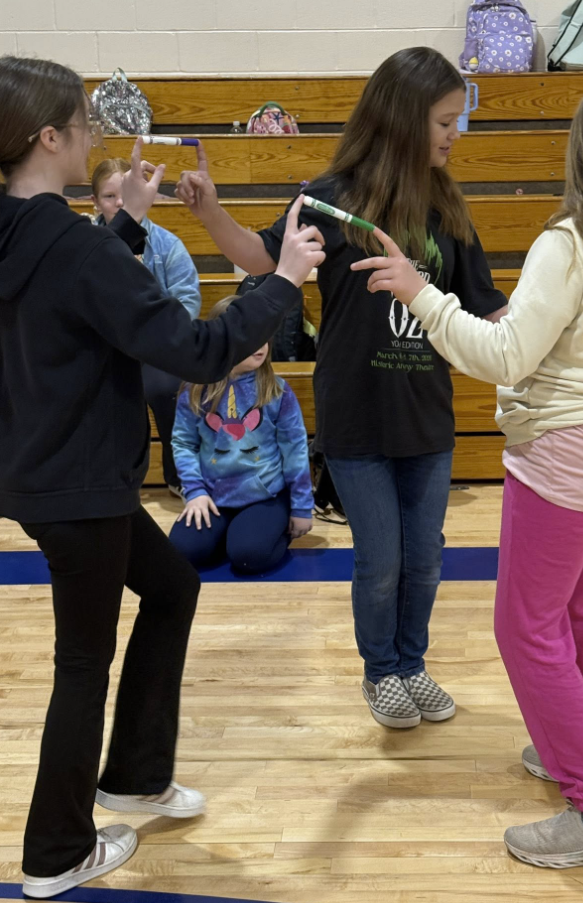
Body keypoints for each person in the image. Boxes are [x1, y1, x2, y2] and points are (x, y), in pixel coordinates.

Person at [353, 78, 583, 869]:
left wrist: (423, 294)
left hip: (569, 457)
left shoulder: (569, 242)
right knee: (578, 609)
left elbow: (502, 356)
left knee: (526, 628)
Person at [0, 55, 324, 898]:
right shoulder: (71, 243)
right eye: (82, 122)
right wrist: (281, 279)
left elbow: (67, 285)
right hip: (80, 485)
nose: (94, 134)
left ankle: (136, 775)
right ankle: (54, 851)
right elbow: (199, 350)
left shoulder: (28, 231)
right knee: (82, 662)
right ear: (49, 138)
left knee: (173, 585)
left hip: (45, 475)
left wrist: (129, 225)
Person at [176, 47, 508, 729]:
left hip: (428, 421)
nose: (453, 134)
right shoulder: (328, 198)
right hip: (357, 422)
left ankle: (412, 662)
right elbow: (261, 258)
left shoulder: (449, 207)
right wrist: (211, 213)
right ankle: (381, 670)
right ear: (403, 118)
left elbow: (487, 308)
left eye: (457, 121)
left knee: (425, 559)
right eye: (444, 121)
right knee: (380, 560)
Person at [169, 296, 313, 574]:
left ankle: (260, 530)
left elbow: (295, 451)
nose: (259, 346)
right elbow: (183, 443)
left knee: (249, 556)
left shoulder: (277, 391)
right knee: (183, 553)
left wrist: (301, 508)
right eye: (248, 339)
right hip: (214, 496)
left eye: (263, 336)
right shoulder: (195, 390)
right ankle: (231, 532)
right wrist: (195, 492)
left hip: (265, 495)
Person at [92, 157, 201, 497]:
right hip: (101, 347)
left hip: (154, 349)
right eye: (109, 197)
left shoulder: (167, 245)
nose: (120, 204)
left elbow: (187, 303)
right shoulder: (85, 244)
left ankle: (176, 474)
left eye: (124, 194)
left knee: (164, 388)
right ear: (95, 202)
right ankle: (103, 477)